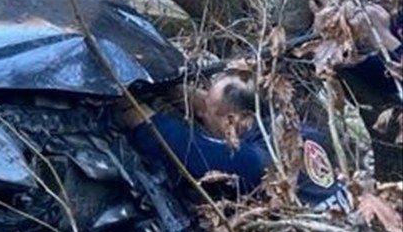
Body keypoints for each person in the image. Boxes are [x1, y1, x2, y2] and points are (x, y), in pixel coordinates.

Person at [118, 74, 349, 210]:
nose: (199, 115)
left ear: (234, 120)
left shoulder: (259, 159)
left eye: (206, 112)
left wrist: (129, 106)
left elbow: (191, 150)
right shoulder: (304, 132)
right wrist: (166, 87)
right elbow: (210, 102)